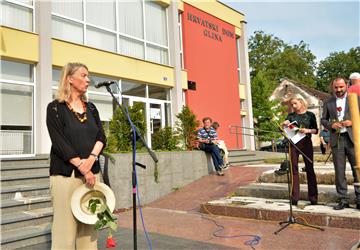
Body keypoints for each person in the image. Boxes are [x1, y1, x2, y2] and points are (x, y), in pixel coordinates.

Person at [46, 62, 106, 249]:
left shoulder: (92, 108)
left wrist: (91, 160)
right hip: (66, 176)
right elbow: (60, 142)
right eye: (83, 75)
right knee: (65, 229)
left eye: (88, 76)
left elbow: (101, 136)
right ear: (70, 79)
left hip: (92, 176)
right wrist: (82, 166)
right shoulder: (55, 108)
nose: (88, 80)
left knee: (89, 228)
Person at [321, 77, 360, 210]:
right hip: (337, 139)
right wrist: (332, 124)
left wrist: (353, 122)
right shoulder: (328, 102)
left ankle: (359, 198)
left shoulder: (355, 99)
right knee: (339, 171)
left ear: (347, 85)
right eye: (336, 87)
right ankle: (343, 199)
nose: (338, 90)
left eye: (341, 87)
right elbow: (323, 120)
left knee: (358, 169)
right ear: (333, 88)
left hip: (353, 138)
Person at [282, 94, 318, 206]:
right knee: (294, 169)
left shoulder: (310, 115)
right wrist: (285, 124)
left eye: (295, 103)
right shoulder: (291, 116)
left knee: (310, 168)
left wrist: (307, 130)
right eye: (292, 104)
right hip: (293, 143)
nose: (293, 106)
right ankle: (294, 197)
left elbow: (316, 130)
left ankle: (313, 197)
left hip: (306, 143)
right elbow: (286, 127)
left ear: (301, 102)